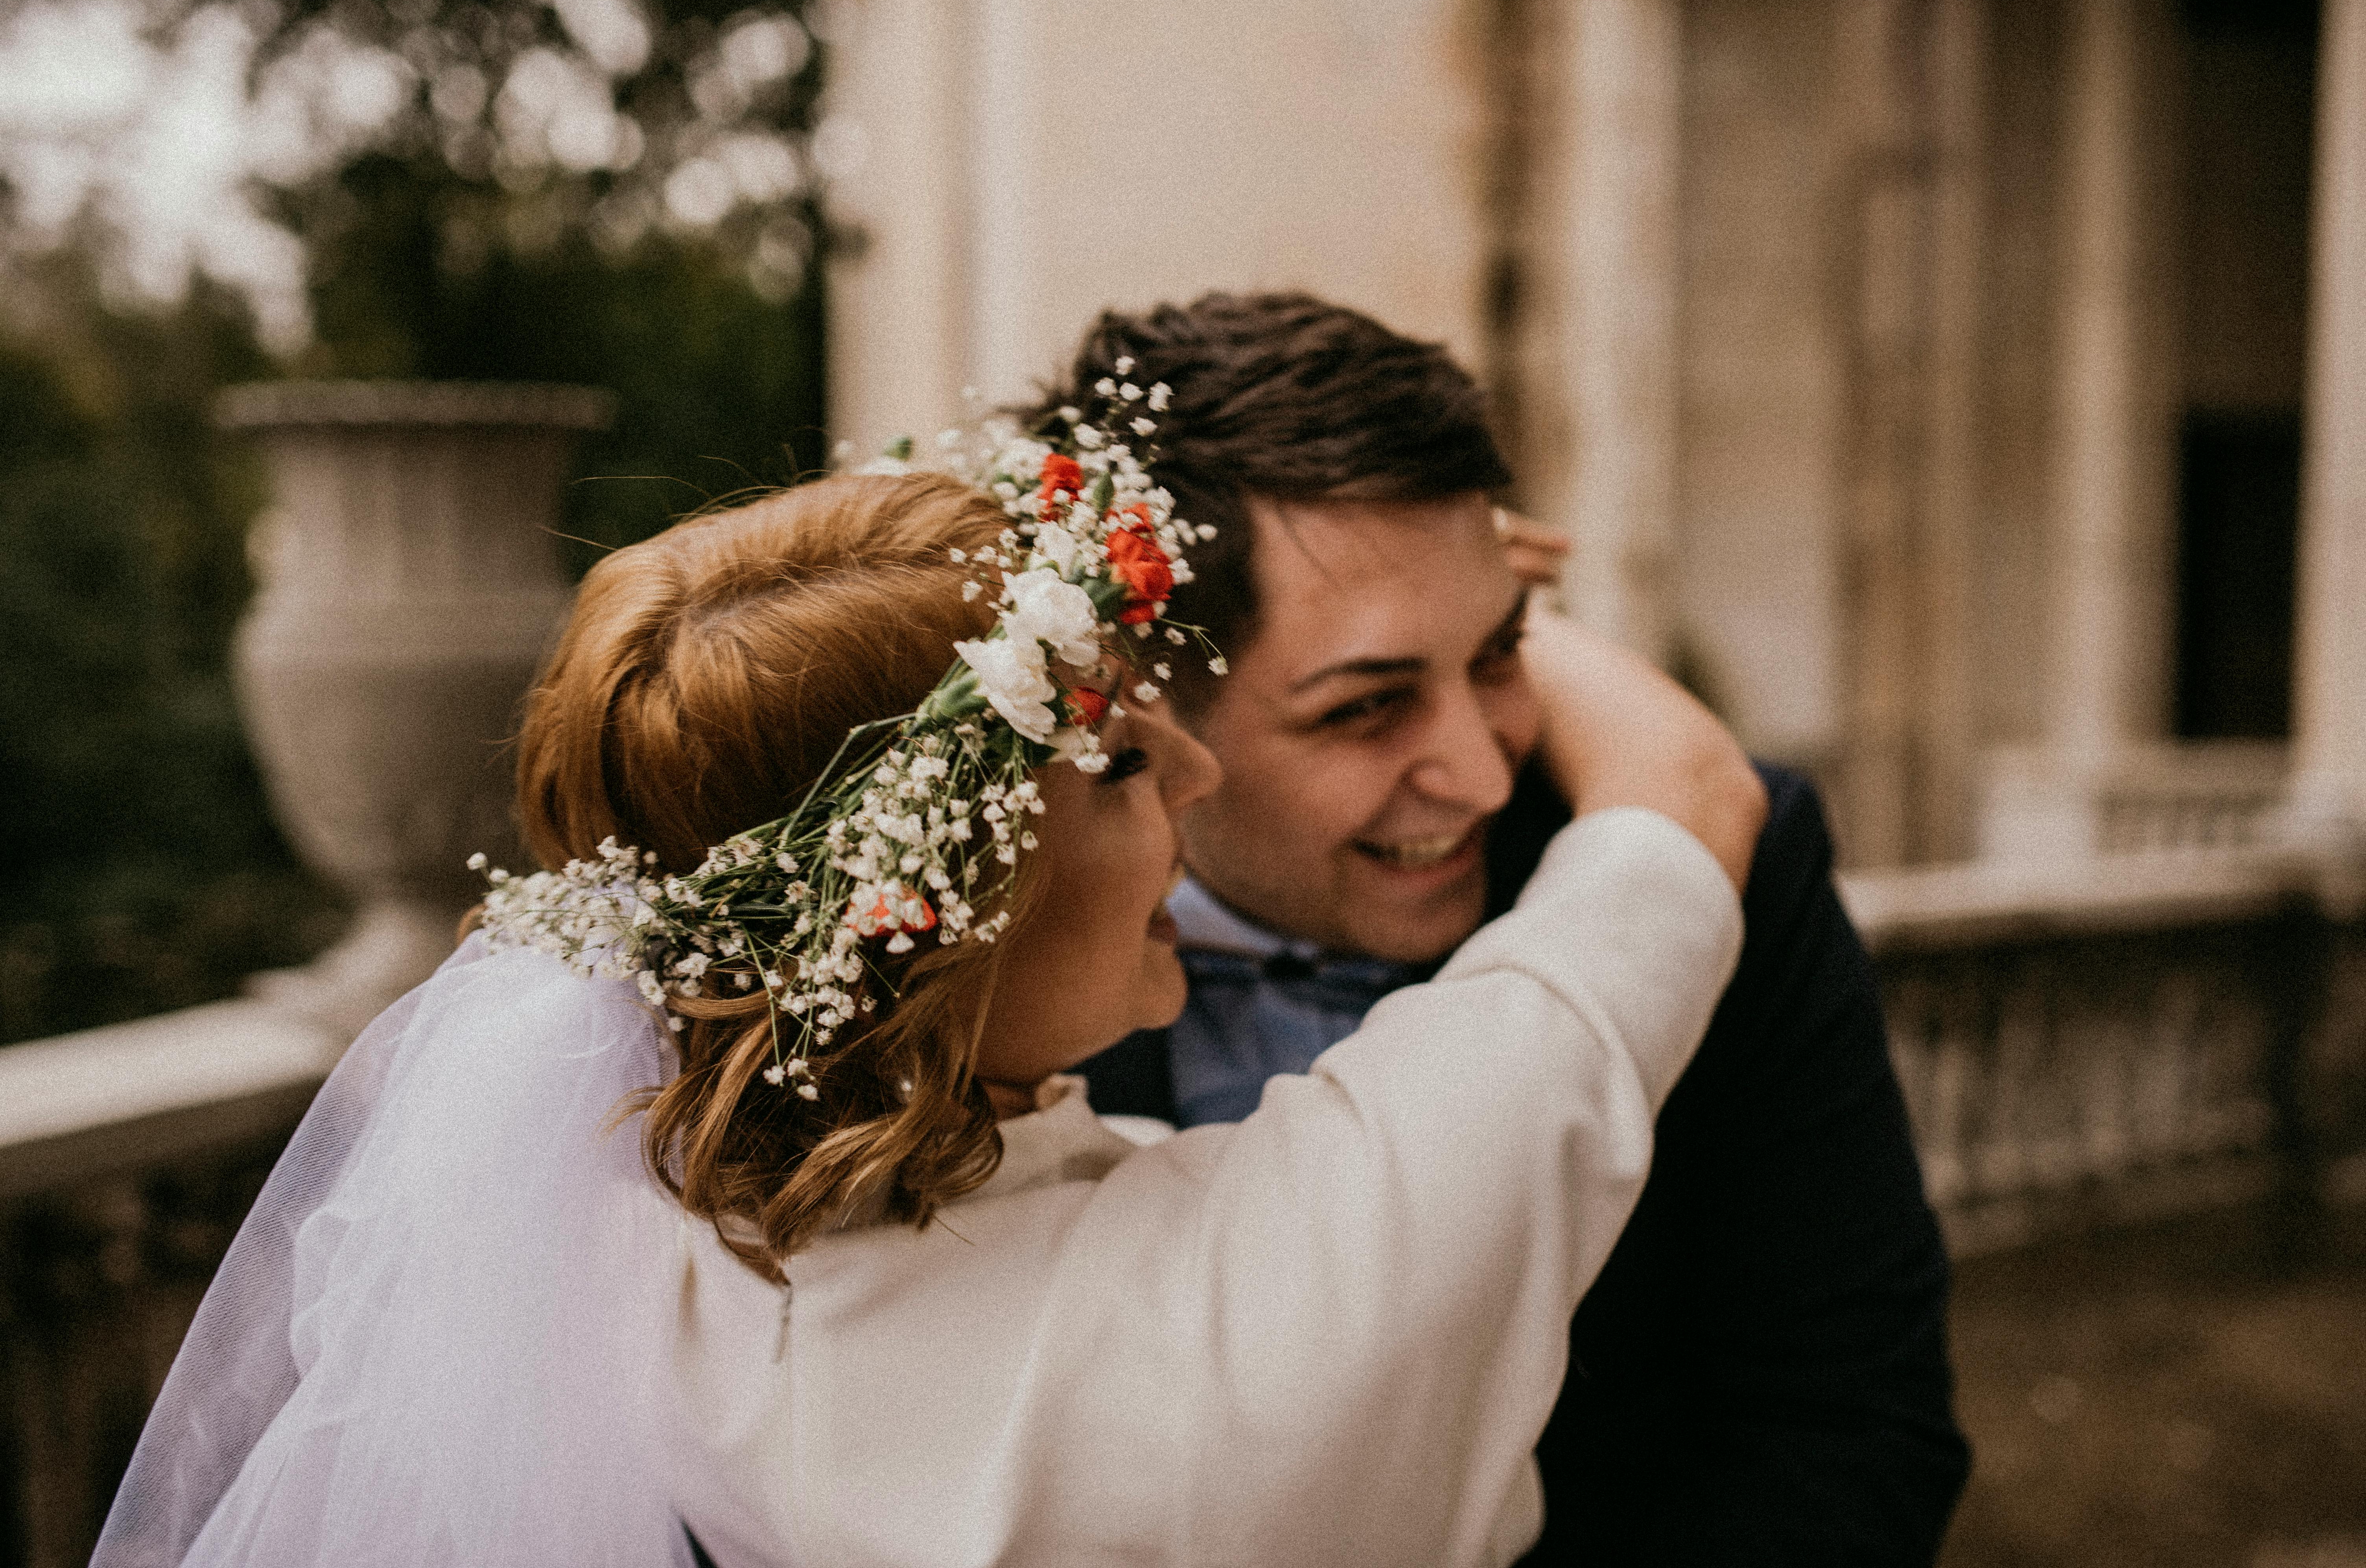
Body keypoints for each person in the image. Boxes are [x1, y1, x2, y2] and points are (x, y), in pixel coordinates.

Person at [95, 430, 1765, 1565]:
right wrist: (1486, 608)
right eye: (1112, 756)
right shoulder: (1324, 1247)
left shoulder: (607, 1260)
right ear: (932, 921)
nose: (1187, 765)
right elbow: (1687, 793)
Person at [1059, 292, 1974, 1564]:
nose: (1485, 778)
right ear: (1144, 711)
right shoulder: (978, 957)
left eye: (1501, 655)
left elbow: (1849, 1434)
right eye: (1366, 708)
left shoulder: (1722, 877)